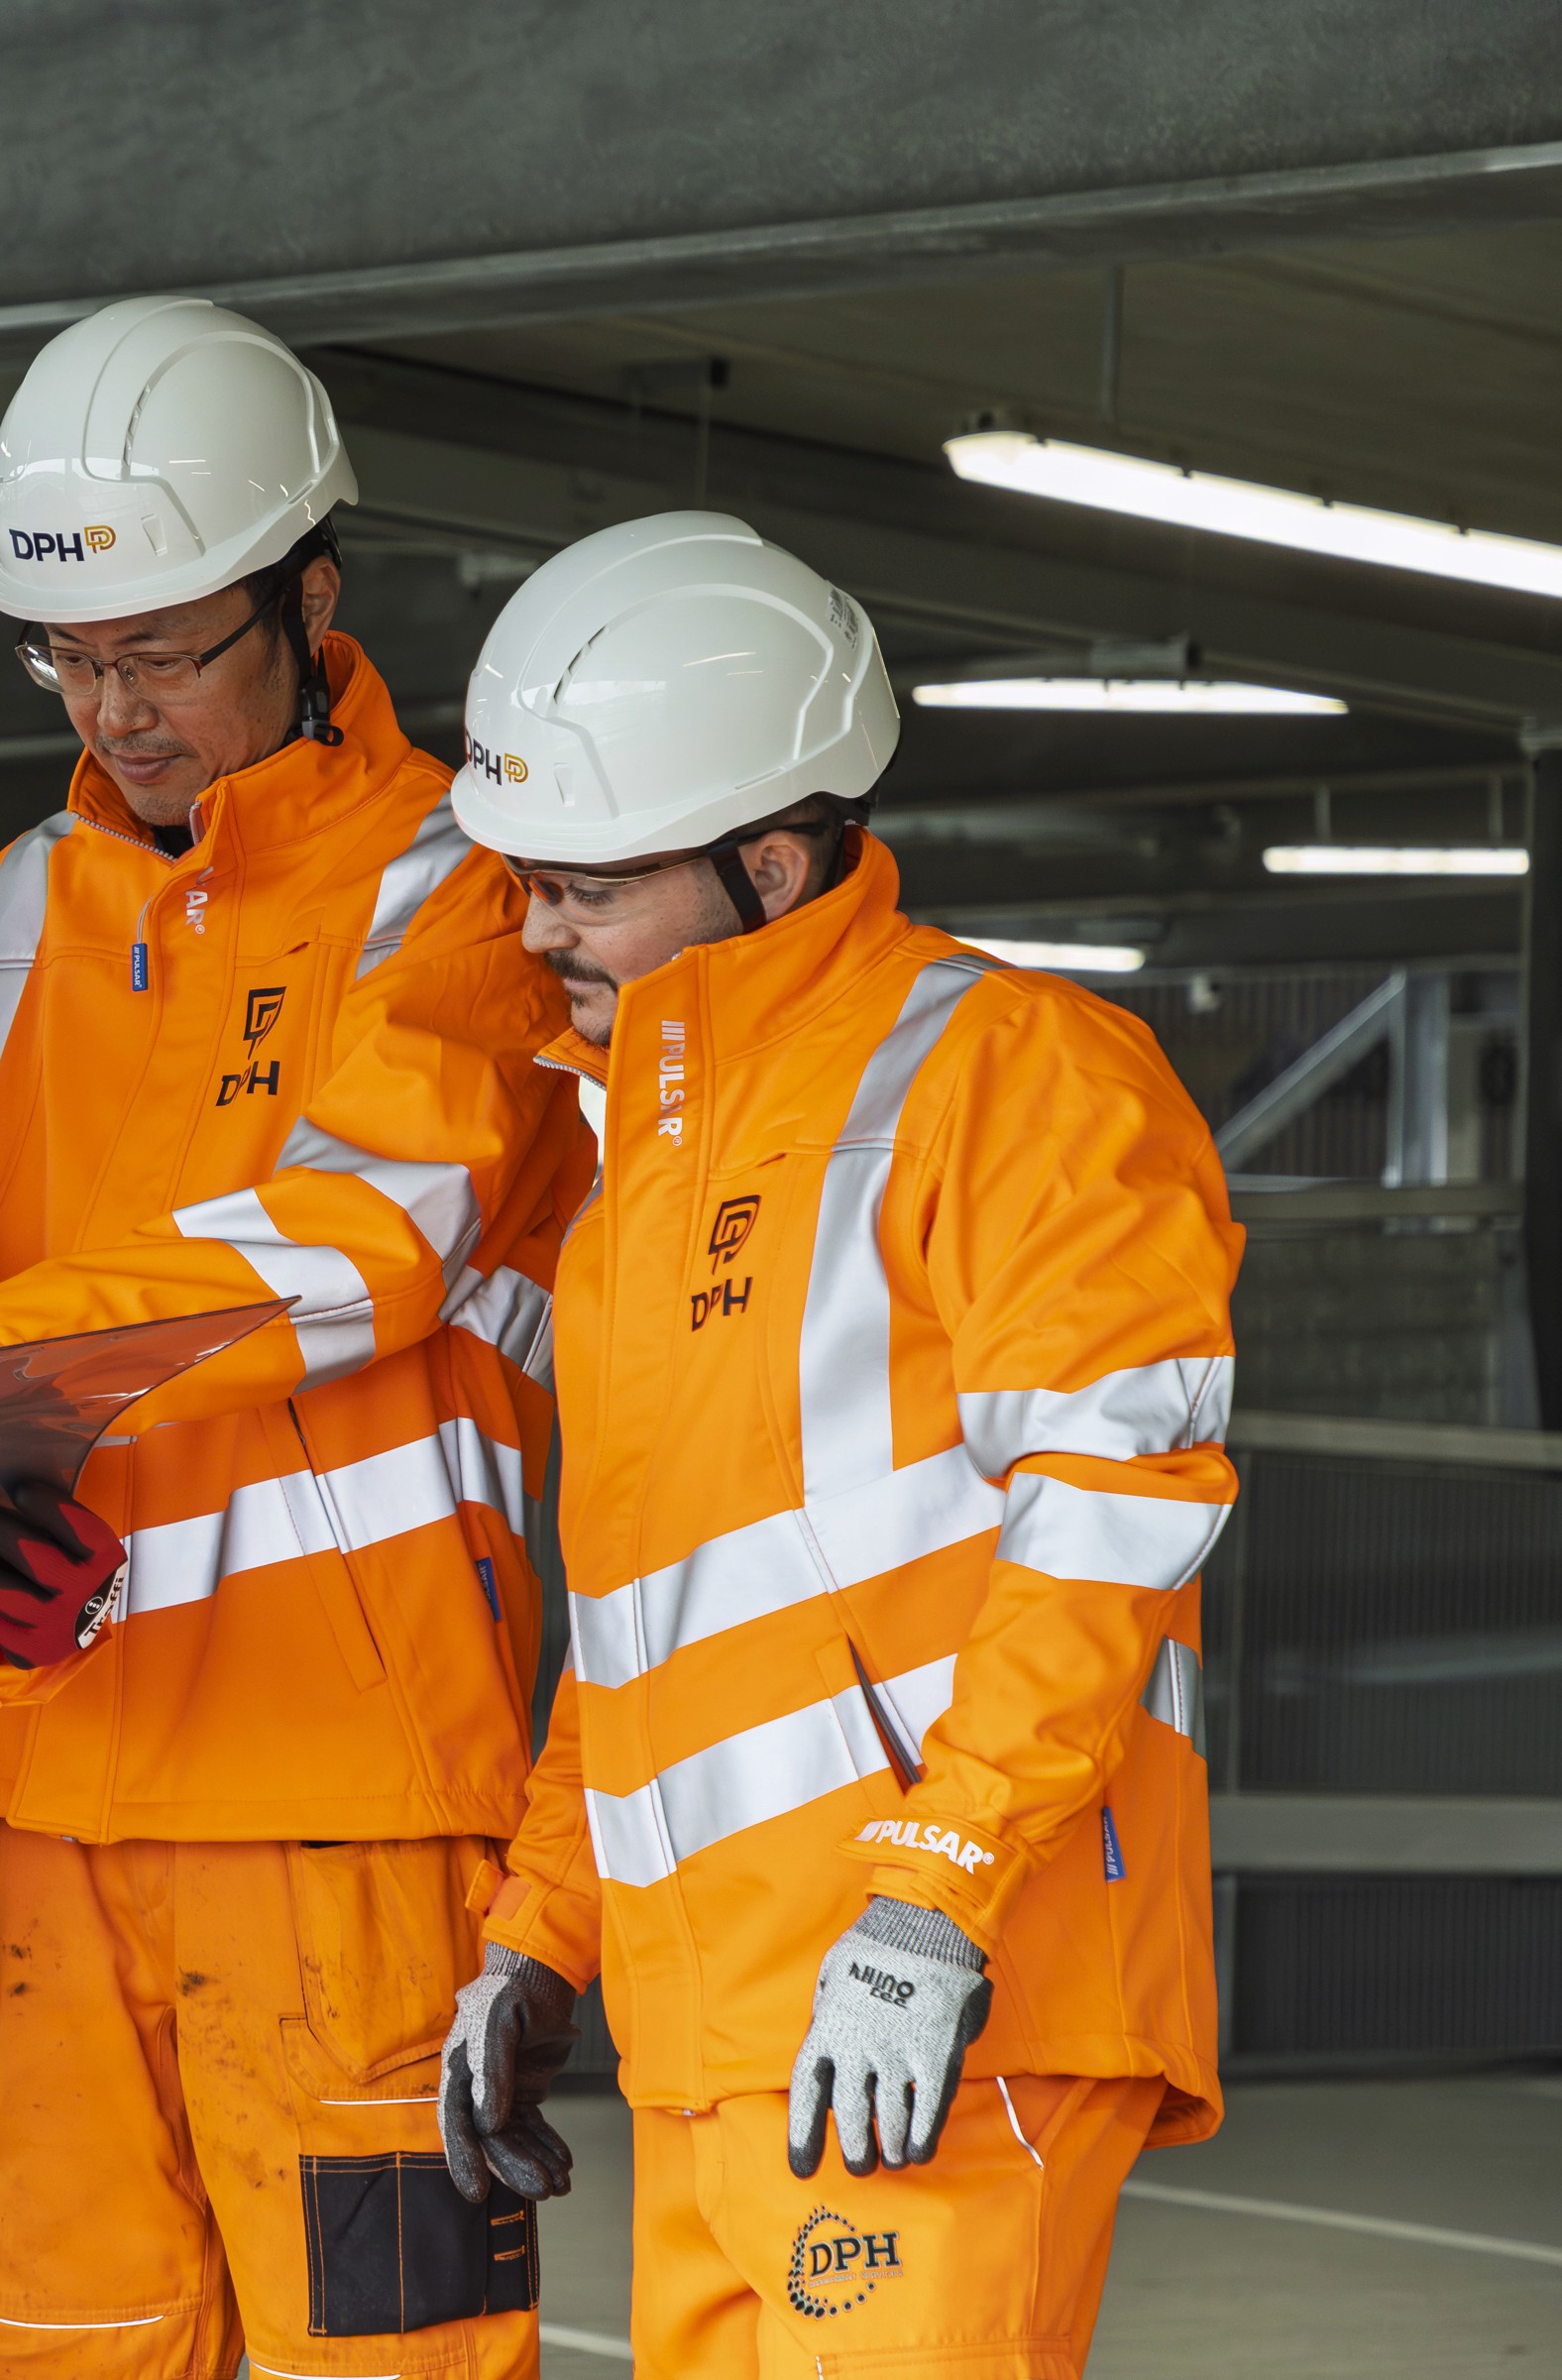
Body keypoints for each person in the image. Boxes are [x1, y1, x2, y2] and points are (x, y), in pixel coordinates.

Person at [0, 295, 593, 2380]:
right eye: (73, 657)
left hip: (340, 1812)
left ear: (307, 596)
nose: (117, 706)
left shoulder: (468, 899)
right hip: (39, 1804)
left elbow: (345, 1253)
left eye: (163, 651)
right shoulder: (2, 918)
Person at [433, 510, 1240, 2376]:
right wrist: (539, 1936)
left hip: (940, 2005)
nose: (536, 927)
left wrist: (933, 1899)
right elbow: (639, 1631)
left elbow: (1116, 1508)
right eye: (526, 878)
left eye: (586, 885)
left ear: (771, 858)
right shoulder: (639, 1184)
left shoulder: (1012, 1076)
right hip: (729, 2038)